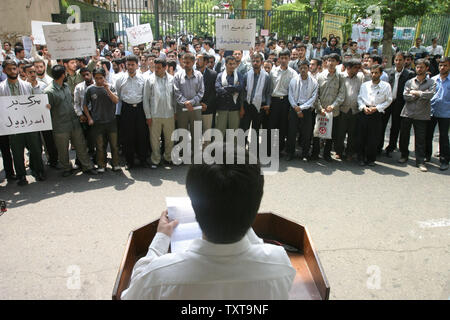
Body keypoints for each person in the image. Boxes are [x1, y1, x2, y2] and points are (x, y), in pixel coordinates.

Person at [121, 145, 296, 300]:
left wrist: (160, 239)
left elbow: (130, 294)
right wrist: (238, 211)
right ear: (256, 204)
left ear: (194, 205)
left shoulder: (158, 278)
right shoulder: (279, 265)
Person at [44, 65, 97, 177]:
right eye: (65, 73)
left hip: (74, 122)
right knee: (63, 149)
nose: (67, 75)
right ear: (63, 75)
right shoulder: (49, 92)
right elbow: (47, 110)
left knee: (81, 145)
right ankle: (67, 167)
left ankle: (87, 166)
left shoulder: (66, 86)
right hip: (60, 125)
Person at [0, 60, 46, 185]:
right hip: (13, 126)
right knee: (17, 152)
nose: (13, 71)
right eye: (9, 69)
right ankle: (21, 176)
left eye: (14, 68)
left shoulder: (27, 86)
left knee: (36, 149)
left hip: (29, 124)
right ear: (4, 71)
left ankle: (39, 171)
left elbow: (34, 103)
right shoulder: (1, 88)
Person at [398, 59, 436, 172]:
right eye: (418, 67)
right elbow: (406, 96)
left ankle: (420, 161)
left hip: (422, 115)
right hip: (407, 113)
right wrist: (419, 95)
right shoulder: (410, 82)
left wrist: (416, 92)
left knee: (420, 139)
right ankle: (404, 155)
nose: (419, 69)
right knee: (404, 136)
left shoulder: (431, 82)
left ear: (427, 68)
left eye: (422, 67)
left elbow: (431, 95)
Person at [83, 68, 121, 173]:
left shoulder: (111, 87)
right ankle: (101, 164)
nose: (99, 80)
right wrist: (89, 118)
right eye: (96, 78)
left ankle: (116, 163)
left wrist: (107, 89)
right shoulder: (90, 89)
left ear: (104, 77)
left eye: (101, 78)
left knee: (114, 145)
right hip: (97, 122)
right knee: (99, 146)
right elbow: (85, 106)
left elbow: (116, 100)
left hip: (111, 121)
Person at [115, 55, 149, 170]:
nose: (130, 67)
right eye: (128, 64)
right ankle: (129, 161)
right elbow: (118, 96)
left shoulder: (143, 78)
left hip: (140, 109)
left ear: (137, 64)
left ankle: (143, 159)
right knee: (128, 137)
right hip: (126, 110)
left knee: (142, 135)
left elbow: (145, 95)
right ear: (125, 65)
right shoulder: (120, 79)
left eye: (132, 65)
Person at [311, 53, 345, 161]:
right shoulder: (320, 76)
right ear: (326, 62)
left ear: (337, 63)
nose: (330, 63)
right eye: (329, 60)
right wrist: (319, 107)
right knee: (317, 133)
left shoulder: (340, 77)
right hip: (320, 110)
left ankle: (326, 154)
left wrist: (333, 106)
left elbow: (341, 94)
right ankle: (315, 153)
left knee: (331, 134)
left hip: (333, 112)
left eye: (333, 61)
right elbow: (315, 94)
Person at [380, 52, 415, 157]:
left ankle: (391, 147)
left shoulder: (409, 74)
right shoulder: (388, 72)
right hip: (387, 102)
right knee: (382, 125)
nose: (398, 62)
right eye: (396, 60)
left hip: (400, 103)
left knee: (395, 126)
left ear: (404, 61)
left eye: (400, 60)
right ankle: (378, 146)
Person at [143, 58, 176, 168]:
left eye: (158, 68)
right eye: (155, 67)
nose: (156, 70)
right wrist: (148, 116)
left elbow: (174, 98)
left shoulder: (172, 79)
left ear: (165, 68)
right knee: (154, 139)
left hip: (169, 114)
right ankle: (155, 159)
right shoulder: (149, 80)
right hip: (154, 115)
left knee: (169, 138)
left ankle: (168, 158)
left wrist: (175, 112)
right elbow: (146, 100)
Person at [357, 64, 393, 166]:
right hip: (364, 111)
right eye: (372, 72)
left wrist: (376, 108)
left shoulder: (386, 86)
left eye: (376, 72)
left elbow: (388, 100)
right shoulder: (365, 85)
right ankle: (361, 158)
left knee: (373, 138)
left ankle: (371, 159)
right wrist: (363, 107)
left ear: (381, 74)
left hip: (377, 113)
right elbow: (359, 98)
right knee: (361, 136)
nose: (373, 75)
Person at [240, 53, 272, 155]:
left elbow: (268, 92)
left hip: (259, 106)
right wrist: (242, 107)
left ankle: (253, 153)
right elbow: (243, 92)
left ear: (261, 62)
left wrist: (268, 104)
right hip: (247, 105)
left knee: (256, 130)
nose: (255, 63)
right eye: (253, 61)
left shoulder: (266, 76)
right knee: (244, 129)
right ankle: (241, 151)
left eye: (257, 61)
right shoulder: (247, 75)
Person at [286, 60, 318, 161]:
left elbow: (313, 98)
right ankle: (290, 153)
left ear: (308, 68)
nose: (303, 70)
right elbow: (290, 95)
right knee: (291, 132)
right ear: (298, 69)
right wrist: (296, 107)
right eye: (301, 68)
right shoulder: (293, 80)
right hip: (294, 108)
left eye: (305, 67)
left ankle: (305, 154)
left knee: (306, 133)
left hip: (307, 110)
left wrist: (302, 108)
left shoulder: (314, 82)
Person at [174, 52, 205, 156]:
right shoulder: (178, 75)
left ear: (193, 62)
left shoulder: (199, 75)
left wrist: (191, 102)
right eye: (184, 62)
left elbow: (201, 92)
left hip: (195, 109)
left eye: (188, 62)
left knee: (196, 132)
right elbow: (176, 92)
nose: (185, 65)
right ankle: (183, 154)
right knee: (182, 132)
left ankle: (195, 154)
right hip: (182, 109)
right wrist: (185, 102)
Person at [269, 49, 297, 155]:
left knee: (283, 126)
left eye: (286, 58)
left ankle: (280, 149)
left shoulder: (293, 74)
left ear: (289, 59)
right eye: (282, 58)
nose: (284, 60)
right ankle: (269, 149)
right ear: (279, 59)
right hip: (274, 101)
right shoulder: (273, 71)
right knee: (272, 125)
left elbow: (293, 91)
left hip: (285, 101)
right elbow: (270, 87)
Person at [335, 59, 364, 161]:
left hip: (355, 110)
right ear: (348, 68)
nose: (357, 70)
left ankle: (349, 153)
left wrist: (363, 70)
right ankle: (339, 151)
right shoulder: (340, 76)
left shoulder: (360, 78)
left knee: (352, 134)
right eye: (355, 67)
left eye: (358, 67)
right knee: (340, 133)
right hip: (342, 109)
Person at [426, 57, 449, 171]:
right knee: (428, 134)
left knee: (444, 136)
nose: (442, 67)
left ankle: (444, 160)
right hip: (432, 111)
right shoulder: (433, 79)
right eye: (440, 65)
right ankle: (427, 156)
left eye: (445, 65)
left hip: (446, 113)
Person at [215, 56, 245, 137]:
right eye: (230, 64)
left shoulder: (239, 75)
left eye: (234, 64)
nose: (232, 66)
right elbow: (218, 89)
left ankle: (233, 149)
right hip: (222, 107)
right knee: (219, 131)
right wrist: (233, 88)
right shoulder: (220, 75)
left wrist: (225, 88)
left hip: (234, 108)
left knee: (233, 132)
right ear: (226, 64)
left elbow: (240, 88)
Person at [195, 53, 217, 147]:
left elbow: (214, 92)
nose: (197, 62)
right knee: (196, 132)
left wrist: (206, 104)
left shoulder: (213, 74)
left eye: (199, 60)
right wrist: (197, 103)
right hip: (195, 107)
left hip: (207, 108)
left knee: (207, 132)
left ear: (205, 62)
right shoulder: (192, 73)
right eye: (196, 60)